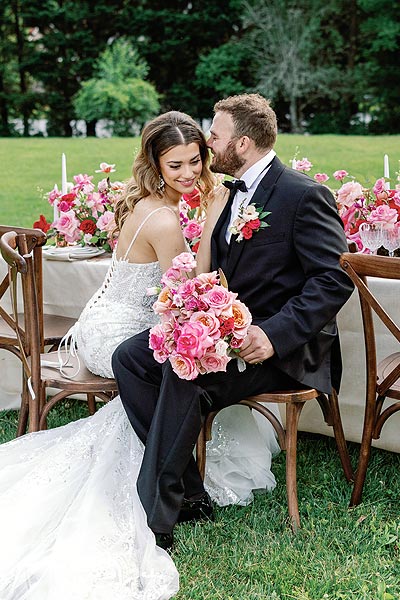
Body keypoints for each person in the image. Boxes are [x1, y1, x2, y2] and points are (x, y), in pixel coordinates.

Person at [0, 109, 279, 599]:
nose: (190, 173)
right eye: (176, 166)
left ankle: (175, 472)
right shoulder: (167, 217)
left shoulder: (152, 202)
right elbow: (194, 289)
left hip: (116, 318)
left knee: (175, 366)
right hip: (117, 331)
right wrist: (213, 221)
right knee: (167, 367)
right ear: (154, 165)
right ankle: (175, 482)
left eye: (196, 161)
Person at [112, 93, 355, 551]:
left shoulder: (303, 194)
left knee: (187, 370)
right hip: (224, 335)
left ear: (241, 144)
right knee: (129, 358)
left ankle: (156, 518)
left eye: (216, 135)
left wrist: (272, 334)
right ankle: (190, 496)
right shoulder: (226, 194)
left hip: (279, 349)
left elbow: (333, 279)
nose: (208, 142)